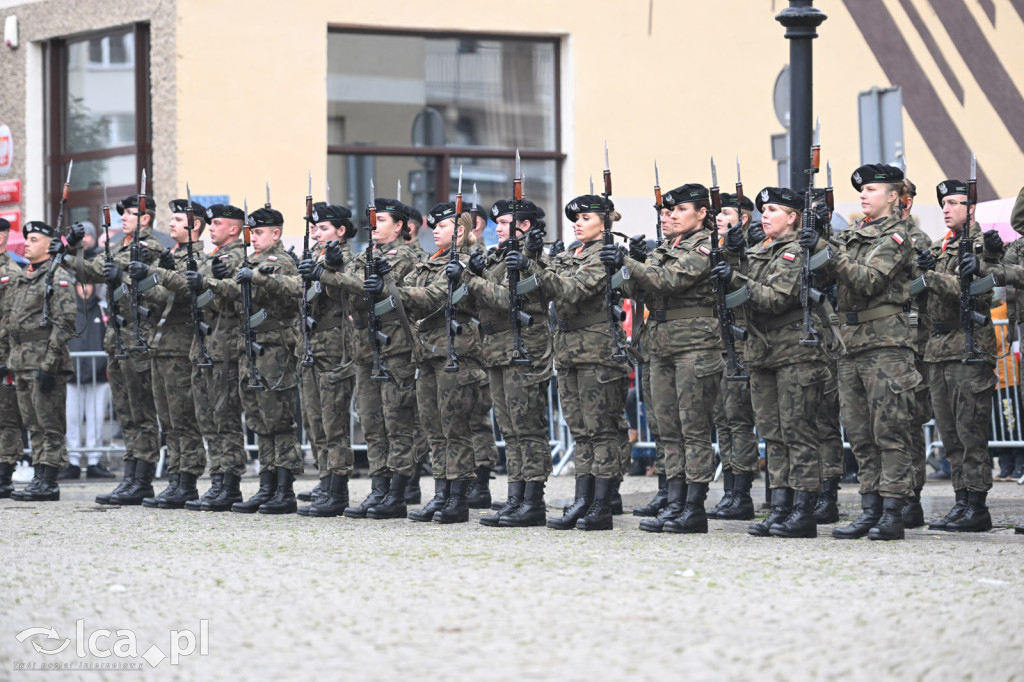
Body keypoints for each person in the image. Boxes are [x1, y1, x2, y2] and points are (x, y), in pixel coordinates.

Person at [800, 163, 919, 541]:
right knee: (861, 433)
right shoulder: (855, 233)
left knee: (890, 432)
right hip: (851, 344)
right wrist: (814, 243)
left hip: (885, 345)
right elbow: (828, 271)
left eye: (871, 189)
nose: (864, 195)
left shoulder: (897, 237)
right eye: (862, 190)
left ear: (893, 197)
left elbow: (868, 280)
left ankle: (893, 510)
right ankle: (870, 507)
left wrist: (825, 250)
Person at [713, 187, 832, 538]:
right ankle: (780, 507)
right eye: (763, 209)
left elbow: (776, 299)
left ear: (793, 217)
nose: (765, 215)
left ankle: (803, 509)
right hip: (763, 353)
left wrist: (734, 276)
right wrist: (732, 257)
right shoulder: (758, 250)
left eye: (774, 210)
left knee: (798, 432)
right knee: (773, 435)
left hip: (794, 352)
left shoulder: (797, 251)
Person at [606, 184, 724, 534]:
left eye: (678, 211)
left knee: (693, 429)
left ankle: (694, 507)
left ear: (702, 213)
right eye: (666, 212)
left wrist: (629, 262)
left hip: (694, 347)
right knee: (668, 430)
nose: (669, 216)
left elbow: (670, 279)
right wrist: (625, 267)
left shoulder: (707, 245)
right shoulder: (666, 247)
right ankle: (674, 502)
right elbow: (638, 287)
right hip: (659, 347)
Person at [521, 193, 630, 532]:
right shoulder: (572, 253)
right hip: (568, 349)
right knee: (580, 431)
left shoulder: (608, 256)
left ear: (605, 221)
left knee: (602, 430)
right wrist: (533, 258)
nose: (577, 223)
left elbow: (571, 290)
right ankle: (583, 498)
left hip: (597, 349)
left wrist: (537, 261)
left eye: (585, 218)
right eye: (575, 219)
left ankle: (602, 502)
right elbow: (541, 287)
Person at [318, 197, 421, 519]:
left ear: (400, 226)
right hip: (363, 349)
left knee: (397, 423)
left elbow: (367, 289)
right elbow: (343, 293)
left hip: (394, 347)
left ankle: (399, 492)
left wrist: (331, 273)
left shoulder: (407, 256)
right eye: (371, 222)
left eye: (382, 221)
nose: (373, 227)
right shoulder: (368, 254)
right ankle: (379, 489)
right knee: (372, 423)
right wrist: (333, 269)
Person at [64, 195, 164, 505]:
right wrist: (72, 249)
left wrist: (126, 278)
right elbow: (88, 272)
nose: (123, 217)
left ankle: (142, 478)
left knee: (141, 412)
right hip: (119, 337)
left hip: (139, 337)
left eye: (130, 213)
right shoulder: (121, 245)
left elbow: (161, 293)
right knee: (126, 414)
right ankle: (130, 477)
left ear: (145, 219)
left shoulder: (152, 250)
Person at [460, 198, 553, 528]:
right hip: (497, 350)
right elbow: (476, 304)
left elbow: (504, 299)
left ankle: (533, 499)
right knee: (511, 430)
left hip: (523, 350)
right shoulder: (497, 259)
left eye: (504, 223)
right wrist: (469, 276)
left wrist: (471, 279)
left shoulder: (529, 258)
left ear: (524, 226)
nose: (496, 228)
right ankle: (516, 497)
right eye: (497, 223)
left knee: (528, 427)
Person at [394, 202, 487, 523]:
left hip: (455, 351)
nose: (435, 230)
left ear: (460, 231)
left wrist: (391, 291)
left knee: (455, 427)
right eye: (433, 226)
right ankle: (441, 494)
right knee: (433, 428)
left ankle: (457, 499)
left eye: (443, 226)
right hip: (428, 351)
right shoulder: (428, 262)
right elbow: (411, 292)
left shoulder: (467, 261)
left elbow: (432, 296)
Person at [154, 204, 250, 511]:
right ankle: (218, 479)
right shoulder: (212, 258)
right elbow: (192, 290)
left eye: (217, 223)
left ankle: (229, 483)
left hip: (225, 348)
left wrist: (203, 281)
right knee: (208, 419)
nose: (211, 227)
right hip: (206, 347)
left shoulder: (238, 258)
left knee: (225, 419)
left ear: (234, 229)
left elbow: (230, 297)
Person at [207, 207, 303, 515]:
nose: (254, 238)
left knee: (279, 420)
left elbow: (292, 288)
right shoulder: (251, 262)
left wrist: (256, 278)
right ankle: (266, 485)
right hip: (251, 350)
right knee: (259, 421)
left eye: (259, 232)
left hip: (274, 350)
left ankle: (284, 488)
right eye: (252, 233)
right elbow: (237, 290)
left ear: (275, 233)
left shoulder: (281, 260)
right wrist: (213, 282)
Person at [917, 179, 999, 532]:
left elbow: (977, 294)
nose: (946, 208)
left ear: (972, 208)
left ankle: (977, 507)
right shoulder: (937, 248)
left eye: (954, 202)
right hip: (938, 352)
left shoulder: (985, 247)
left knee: (970, 433)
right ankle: (960, 501)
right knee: (949, 435)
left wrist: (929, 276)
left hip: (969, 348)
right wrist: (919, 274)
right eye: (944, 203)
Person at [128, 199, 209, 508]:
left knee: (184, 416)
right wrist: (143, 281)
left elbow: (189, 292)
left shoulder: (200, 257)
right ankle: (175, 477)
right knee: (168, 419)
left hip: (183, 345)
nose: (171, 224)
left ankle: (187, 480)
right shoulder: (170, 255)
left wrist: (154, 272)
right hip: (162, 346)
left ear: (195, 224)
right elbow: (162, 298)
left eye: (177, 219)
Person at [1, 221, 76, 501]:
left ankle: (49, 479)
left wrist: (50, 364)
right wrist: (9, 357)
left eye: (34, 239)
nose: (27, 244)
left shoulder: (57, 277)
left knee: (49, 422)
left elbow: (65, 323)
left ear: (48, 244)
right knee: (32, 423)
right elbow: (11, 322)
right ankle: (38, 477)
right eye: (27, 239)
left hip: (44, 361)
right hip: (20, 361)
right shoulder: (23, 277)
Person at [292, 202, 358, 517]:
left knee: (334, 422)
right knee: (315, 420)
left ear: (341, 231)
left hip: (335, 346)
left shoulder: (346, 259)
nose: (316, 233)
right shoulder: (315, 257)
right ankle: (324, 479)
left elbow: (350, 289)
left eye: (323, 228)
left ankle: (338, 487)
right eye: (314, 228)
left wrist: (329, 270)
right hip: (310, 344)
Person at [707, 191, 758, 520]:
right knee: (723, 422)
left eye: (726, 212)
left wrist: (740, 250)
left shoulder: (752, 249)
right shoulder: (714, 249)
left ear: (744, 219)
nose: (719, 218)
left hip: (740, 343)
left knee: (739, 421)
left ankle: (742, 493)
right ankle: (729, 490)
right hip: (716, 341)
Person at [0, 217, 27, 497]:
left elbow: (11, 319)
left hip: (4, 354)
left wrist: (8, 358)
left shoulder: (11, 272)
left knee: (7, 418)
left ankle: (5, 474)